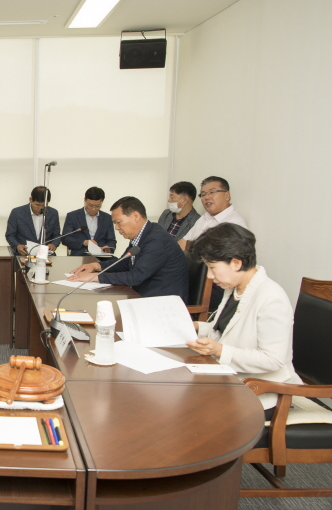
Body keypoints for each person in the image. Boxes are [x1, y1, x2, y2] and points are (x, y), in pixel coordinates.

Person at [185, 223, 302, 410]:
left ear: (236, 263)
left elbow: (273, 360)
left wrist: (220, 350)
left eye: (212, 268)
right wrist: (198, 327)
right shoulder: (234, 288)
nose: (209, 276)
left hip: (262, 390)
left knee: (192, 408)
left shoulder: (271, 298)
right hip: (231, 379)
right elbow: (226, 331)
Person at [68, 196, 189, 301]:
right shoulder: (144, 234)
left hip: (162, 302)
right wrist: (96, 266)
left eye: (118, 222)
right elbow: (125, 263)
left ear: (135, 216)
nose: (116, 228)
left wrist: (95, 277)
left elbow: (136, 276)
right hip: (143, 295)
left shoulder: (156, 240)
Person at [178, 176, 248, 251]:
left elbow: (218, 255)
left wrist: (191, 247)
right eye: (203, 194)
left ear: (227, 195)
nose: (207, 197)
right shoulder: (204, 217)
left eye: (212, 192)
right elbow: (183, 243)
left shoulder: (235, 224)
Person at [5, 186, 61, 256]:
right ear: (30, 199)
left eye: (44, 205)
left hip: (46, 255)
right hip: (24, 254)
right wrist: (17, 246)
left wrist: (54, 244)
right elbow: (10, 235)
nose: (40, 208)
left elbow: (57, 235)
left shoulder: (53, 213)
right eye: (37, 205)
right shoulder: (17, 213)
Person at [61, 187, 116, 256]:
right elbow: (65, 239)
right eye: (90, 205)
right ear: (84, 200)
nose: (93, 209)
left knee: (116, 261)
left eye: (97, 206)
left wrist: (107, 248)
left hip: (101, 256)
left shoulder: (107, 218)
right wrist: (84, 242)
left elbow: (111, 240)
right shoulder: (72, 216)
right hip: (80, 255)